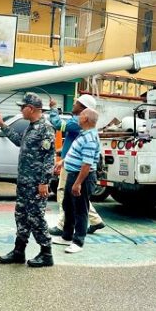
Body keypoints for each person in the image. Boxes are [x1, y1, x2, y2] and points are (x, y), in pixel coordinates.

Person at [0, 92, 56, 268]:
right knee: (21, 216)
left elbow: (49, 157)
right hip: (24, 183)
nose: (21, 110)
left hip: (36, 184)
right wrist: (3, 125)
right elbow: (20, 142)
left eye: (22, 107)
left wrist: (44, 182)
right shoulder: (31, 126)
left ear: (31, 108)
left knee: (36, 217)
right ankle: (18, 251)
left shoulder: (46, 128)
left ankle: (46, 253)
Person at [48, 94, 106, 236]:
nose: (73, 105)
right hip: (70, 162)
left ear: (83, 109)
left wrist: (54, 110)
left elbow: (58, 125)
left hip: (72, 166)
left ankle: (63, 226)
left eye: (76, 103)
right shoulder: (83, 125)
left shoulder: (76, 122)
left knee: (63, 193)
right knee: (78, 197)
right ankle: (95, 221)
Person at [52, 108, 100, 254]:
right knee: (68, 206)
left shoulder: (90, 138)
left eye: (82, 115)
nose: (79, 116)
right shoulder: (83, 133)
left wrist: (78, 183)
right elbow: (77, 154)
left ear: (86, 119)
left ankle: (78, 241)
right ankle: (66, 236)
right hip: (73, 174)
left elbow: (87, 164)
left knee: (80, 210)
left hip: (82, 178)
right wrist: (63, 162)